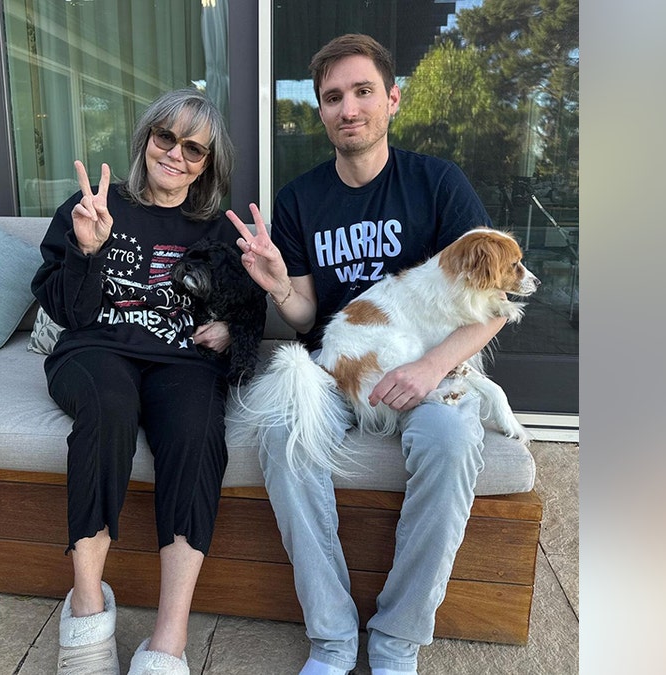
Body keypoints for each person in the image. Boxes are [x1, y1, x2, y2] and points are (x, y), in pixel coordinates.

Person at [229, 34, 507, 675]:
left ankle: (396, 641)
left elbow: (489, 305)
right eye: (332, 97)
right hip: (336, 366)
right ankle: (330, 640)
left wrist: (432, 368)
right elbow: (303, 315)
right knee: (280, 431)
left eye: (362, 92)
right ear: (320, 111)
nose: (347, 109)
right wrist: (277, 286)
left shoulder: (437, 184)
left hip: (421, 363)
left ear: (392, 99)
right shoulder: (300, 200)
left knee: (450, 438)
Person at [32, 89, 258, 675]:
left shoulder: (215, 232)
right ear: (146, 139)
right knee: (108, 405)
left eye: (194, 148)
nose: (176, 154)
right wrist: (86, 249)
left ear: (208, 163)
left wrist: (233, 333)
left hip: (181, 363)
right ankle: (85, 606)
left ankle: (169, 639)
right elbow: (67, 311)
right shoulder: (93, 207)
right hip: (93, 350)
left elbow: (244, 310)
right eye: (166, 137)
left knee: (198, 428)